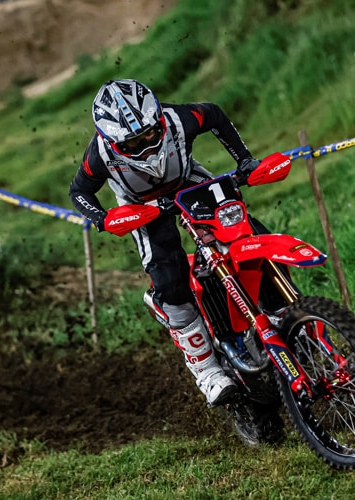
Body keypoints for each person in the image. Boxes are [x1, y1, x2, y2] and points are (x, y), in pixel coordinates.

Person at [69, 79, 261, 406]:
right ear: (113, 141)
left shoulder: (179, 118)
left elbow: (214, 115)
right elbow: (79, 192)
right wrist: (102, 218)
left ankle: (278, 312)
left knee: (248, 234)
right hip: (142, 206)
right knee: (169, 280)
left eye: (149, 133)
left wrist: (244, 158)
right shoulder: (99, 154)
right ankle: (207, 371)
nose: (145, 144)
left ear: (158, 118)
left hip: (189, 181)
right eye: (132, 142)